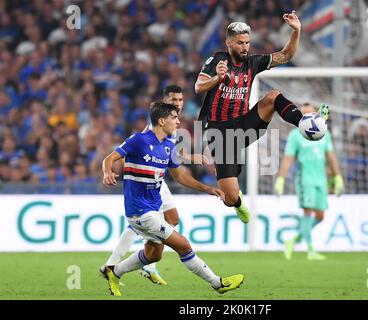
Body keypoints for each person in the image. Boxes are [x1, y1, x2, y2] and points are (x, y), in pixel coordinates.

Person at [194, 11, 329, 224]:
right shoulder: (217, 60)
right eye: (240, 43)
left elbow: (286, 55)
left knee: (272, 97)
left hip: (245, 125)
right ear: (229, 43)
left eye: (247, 42)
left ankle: (303, 123)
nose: (245, 47)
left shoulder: (253, 63)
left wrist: (296, 31)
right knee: (230, 197)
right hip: (220, 132)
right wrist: (217, 78)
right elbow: (198, 87)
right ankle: (238, 204)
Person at [101, 102, 244, 296]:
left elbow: (180, 177)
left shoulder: (168, 146)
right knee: (183, 245)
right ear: (162, 121)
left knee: (154, 255)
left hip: (154, 209)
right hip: (140, 210)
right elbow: (108, 159)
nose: (178, 121)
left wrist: (208, 189)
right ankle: (217, 283)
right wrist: (107, 172)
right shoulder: (138, 140)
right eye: (174, 118)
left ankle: (114, 272)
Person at [100, 85, 207, 285]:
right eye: (173, 99)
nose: (177, 103)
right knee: (144, 220)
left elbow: (171, 152)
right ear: (165, 100)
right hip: (150, 177)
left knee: (169, 218)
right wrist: (113, 169)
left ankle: (141, 261)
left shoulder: (172, 124)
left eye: (180, 100)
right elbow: (144, 148)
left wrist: (190, 157)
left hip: (158, 174)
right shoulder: (158, 125)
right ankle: (119, 264)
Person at [274, 102, 344, 260]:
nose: (306, 117)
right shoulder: (295, 135)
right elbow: (288, 159)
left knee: (320, 216)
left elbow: (331, 157)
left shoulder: (324, 133)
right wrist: (281, 179)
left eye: (309, 114)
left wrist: (337, 177)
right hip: (305, 180)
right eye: (303, 115)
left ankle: (293, 240)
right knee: (307, 212)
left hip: (321, 180)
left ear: (315, 115)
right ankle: (310, 250)